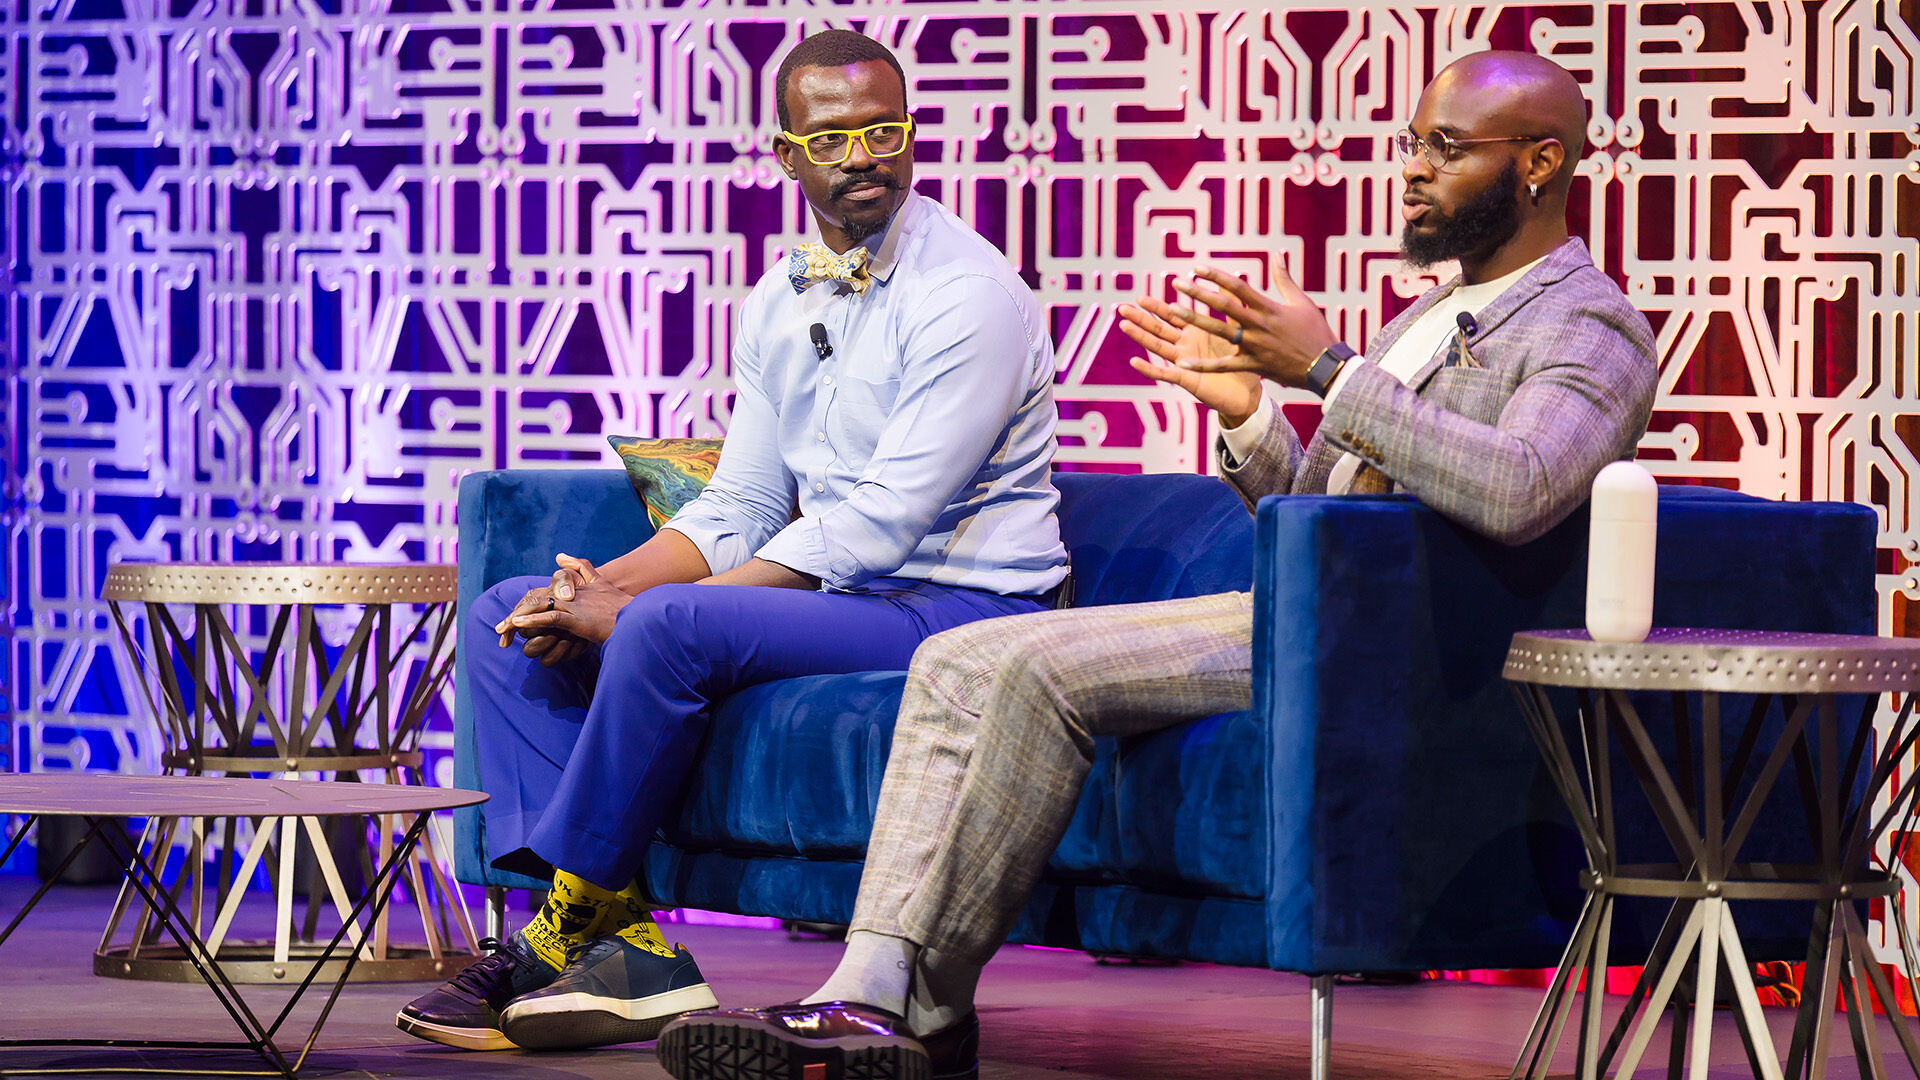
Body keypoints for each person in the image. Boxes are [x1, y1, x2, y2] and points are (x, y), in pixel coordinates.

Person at [656, 49, 1659, 1080]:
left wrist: (1326, 368)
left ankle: (910, 1003)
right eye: (1412, 143)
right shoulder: (1429, 316)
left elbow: (1523, 486)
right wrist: (1250, 414)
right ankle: (885, 996)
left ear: (1540, 162)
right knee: (965, 661)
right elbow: (1317, 514)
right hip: (1304, 610)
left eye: (1444, 149)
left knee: (1027, 667)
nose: (1411, 169)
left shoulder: (1589, 323)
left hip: (1394, 648)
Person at [395, 29, 1069, 1053]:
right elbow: (746, 500)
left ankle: (560, 932)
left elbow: (878, 524)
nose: (864, 158)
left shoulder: (967, 296)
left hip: (963, 610)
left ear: (913, 137)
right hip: (851, 599)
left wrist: (640, 612)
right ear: (786, 153)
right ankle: (623, 939)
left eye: (884, 132)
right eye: (833, 138)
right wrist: (596, 587)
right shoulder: (778, 297)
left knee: (666, 628)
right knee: (505, 610)